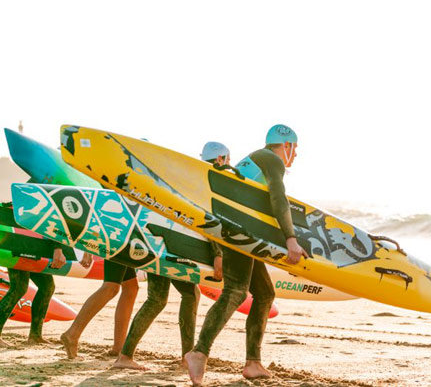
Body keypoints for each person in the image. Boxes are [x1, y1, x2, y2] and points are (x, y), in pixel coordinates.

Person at [185, 125, 309, 385]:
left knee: (264, 293)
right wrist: (290, 239)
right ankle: (199, 352)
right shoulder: (272, 160)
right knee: (236, 291)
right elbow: (278, 198)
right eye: (295, 149)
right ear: (286, 145)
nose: (295, 155)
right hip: (237, 231)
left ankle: (253, 363)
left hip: (238, 230)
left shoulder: (257, 159)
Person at [112, 143, 227, 371]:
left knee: (156, 299)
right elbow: (208, 220)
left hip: (156, 242)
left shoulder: (184, 178)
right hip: (176, 247)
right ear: (222, 159)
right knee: (189, 294)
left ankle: (125, 356)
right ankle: (186, 355)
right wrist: (218, 254)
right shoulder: (206, 182)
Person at [0, 233, 85, 347]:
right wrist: (57, 248)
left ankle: (35, 336)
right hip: (21, 243)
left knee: (47, 287)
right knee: (18, 288)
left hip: (35, 247)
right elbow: (48, 223)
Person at [60, 258, 139, 359]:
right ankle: (72, 334)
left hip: (126, 244)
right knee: (111, 287)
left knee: (131, 287)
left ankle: (119, 347)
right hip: (118, 244)